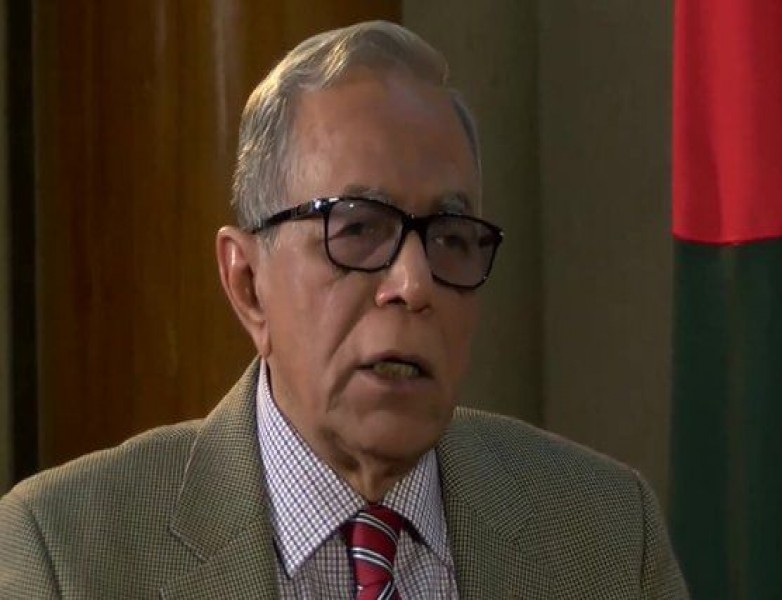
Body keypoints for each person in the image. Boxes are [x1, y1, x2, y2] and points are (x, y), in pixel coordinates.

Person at [0, 21, 688, 599]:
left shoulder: (606, 536)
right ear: (247, 284)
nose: (414, 283)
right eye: (357, 229)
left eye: (450, 239)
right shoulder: (66, 555)